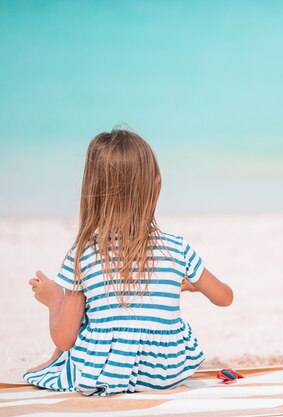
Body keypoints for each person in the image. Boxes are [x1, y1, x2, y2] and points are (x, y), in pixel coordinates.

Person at [24, 129, 233, 395]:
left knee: (81, 325)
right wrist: (189, 285)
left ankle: (56, 320)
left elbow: (65, 339)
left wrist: (55, 302)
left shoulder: (84, 254)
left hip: (107, 375)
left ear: (92, 191)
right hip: (166, 372)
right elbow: (225, 298)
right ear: (156, 184)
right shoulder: (177, 248)